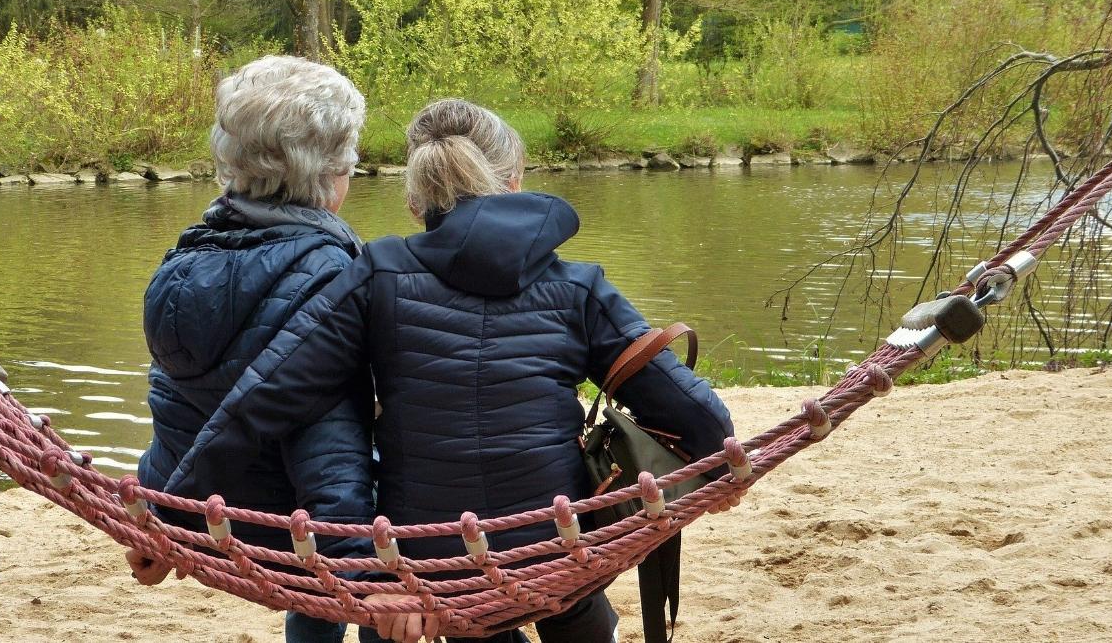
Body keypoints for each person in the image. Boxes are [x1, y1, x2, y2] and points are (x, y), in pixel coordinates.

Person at [166, 99, 738, 643]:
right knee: (567, 588)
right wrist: (719, 463)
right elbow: (691, 411)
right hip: (554, 551)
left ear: (417, 202)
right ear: (515, 182)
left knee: (430, 604)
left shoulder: (376, 273)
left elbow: (265, 397)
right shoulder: (579, 286)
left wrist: (170, 514)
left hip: (425, 562)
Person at [129, 55, 375, 643]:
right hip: (288, 529)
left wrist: (162, 517)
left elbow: (177, 405)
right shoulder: (332, 278)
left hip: (198, 511)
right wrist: (365, 580)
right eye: (350, 162)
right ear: (330, 175)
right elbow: (330, 456)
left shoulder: (181, 263)